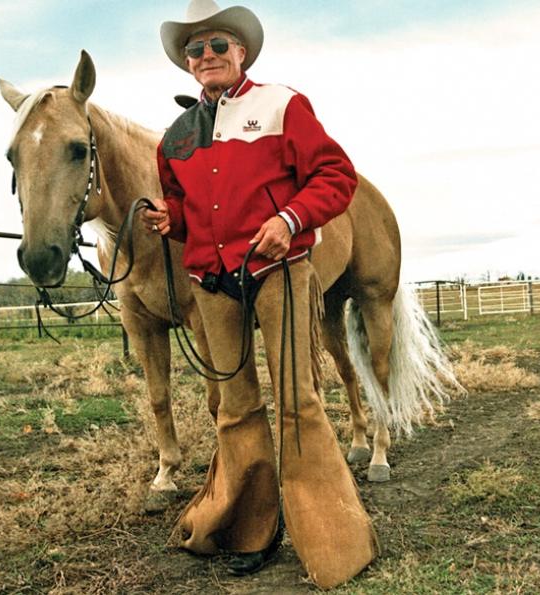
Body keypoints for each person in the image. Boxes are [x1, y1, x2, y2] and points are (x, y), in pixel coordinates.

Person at [140, 0, 377, 589]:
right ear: (187, 63)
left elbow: (335, 176)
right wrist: (174, 221)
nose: (207, 57)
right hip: (213, 284)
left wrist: (292, 218)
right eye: (195, 50)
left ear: (240, 51)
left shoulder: (282, 104)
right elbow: (188, 209)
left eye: (218, 45)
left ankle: (329, 533)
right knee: (235, 409)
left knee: (298, 400)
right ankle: (252, 529)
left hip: (280, 269)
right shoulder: (174, 138)